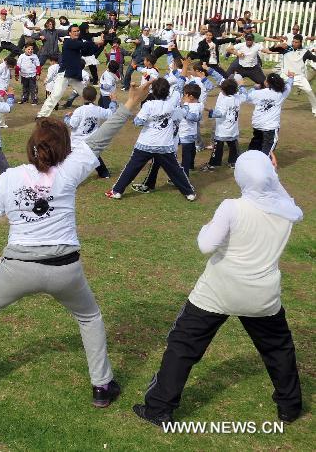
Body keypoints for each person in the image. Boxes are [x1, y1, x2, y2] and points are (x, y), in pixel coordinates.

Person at [0, 84, 150, 406]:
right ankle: (102, 386)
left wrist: (9, 218)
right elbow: (102, 138)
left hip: (17, 268)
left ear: (31, 147)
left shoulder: (9, 178)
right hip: (65, 269)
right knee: (89, 318)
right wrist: (128, 104)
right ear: (64, 149)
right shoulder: (70, 171)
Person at [133, 151, 303, 426]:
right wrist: (274, 176)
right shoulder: (286, 211)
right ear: (270, 178)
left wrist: (206, 227)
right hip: (262, 296)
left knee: (183, 345)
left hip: (217, 291)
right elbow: (289, 204)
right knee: (278, 348)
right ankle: (290, 407)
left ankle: (158, 408)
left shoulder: (231, 207)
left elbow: (206, 245)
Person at [106, 77, 196, 201]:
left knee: (132, 167)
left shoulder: (148, 105)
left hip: (145, 143)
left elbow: (138, 122)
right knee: (175, 170)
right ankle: (189, 193)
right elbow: (180, 89)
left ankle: (117, 191)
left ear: (153, 92)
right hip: (164, 145)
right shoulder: (171, 105)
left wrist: (146, 118)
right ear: (168, 92)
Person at [37, 25, 104, 118]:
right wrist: (96, 42)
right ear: (69, 33)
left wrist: (100, 44)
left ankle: (93, 113)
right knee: (56, 95)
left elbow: (87, 51)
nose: (77, 33)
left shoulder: (79, 42)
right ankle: (41, 115)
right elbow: (83, 45)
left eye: (78, 31)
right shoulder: (68, 42)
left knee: (86, 94)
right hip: (65, 74)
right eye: (74, 31)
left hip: (74, 75)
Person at [64, 86, 115, 178]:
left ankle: (68, 174)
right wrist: (113, 101)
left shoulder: (79, 111)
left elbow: (71, 125)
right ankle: (104, 173)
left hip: (77, 143)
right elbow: (111, 113)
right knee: (94, 156)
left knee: (71, 159)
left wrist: (67, 117)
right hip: (92, 142)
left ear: (82, 97)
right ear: (95, 98)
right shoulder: (98, 109)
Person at [265, 35, 316, 117]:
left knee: (309, 91)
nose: (294, 43)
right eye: (293, 41)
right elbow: (270, 50)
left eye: (296, 42)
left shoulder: (305, 51)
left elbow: (314, 58)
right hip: (286, 76)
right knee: (277, 91)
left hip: (299, 77)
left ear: (300, 43)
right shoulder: (286, 48)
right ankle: (270, 106)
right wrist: (278, 45)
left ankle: (315, 109)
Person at [202, 76, 244, 171]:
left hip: (222, 129)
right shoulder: (238, 98)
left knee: (217, 148)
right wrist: (242, 86)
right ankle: (233, 162)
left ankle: (213, 164)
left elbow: (220, 113)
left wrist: (209, 110)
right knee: (233, 146)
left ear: (224, 91)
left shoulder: (225, 101)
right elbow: (244, 94)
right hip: (233, 128)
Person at [245, 72, 292, 156]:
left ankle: (249, 159)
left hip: (257, 125)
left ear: (267, 83)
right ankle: (263, 163)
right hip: (270, 127)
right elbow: (288, 85)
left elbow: (246, 96)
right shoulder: (281, 93)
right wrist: (291, 77)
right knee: (267, 149)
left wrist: (254, 88)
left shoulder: (259, 93)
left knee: (256, 142)